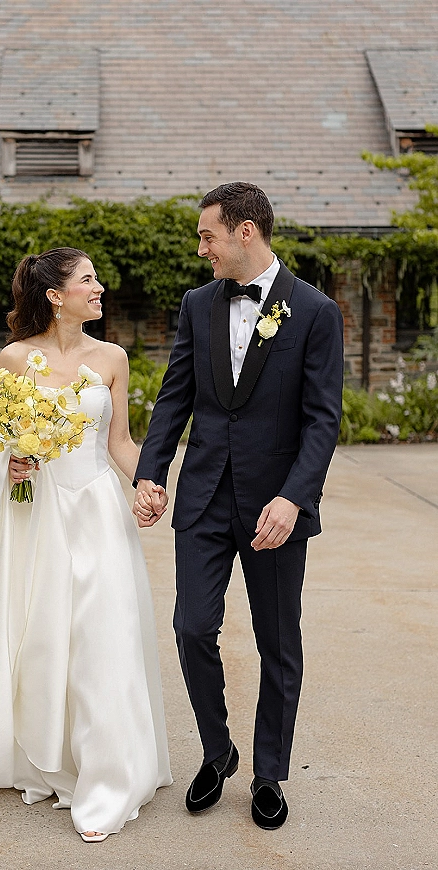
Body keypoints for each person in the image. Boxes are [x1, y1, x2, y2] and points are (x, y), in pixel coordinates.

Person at [132, 182, 344, 829]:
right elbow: (174, 397)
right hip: (202, 498)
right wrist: (150, 472)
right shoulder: (197, 305)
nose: (202, 250)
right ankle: (218, 750)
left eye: (207, 236)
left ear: (244, 231)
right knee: (192, 628)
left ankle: (269, 774)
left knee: (279, 644)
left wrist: (293, 496)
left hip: (274, 509)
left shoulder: (314, 312)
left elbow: (322, 420)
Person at [0, 247, 172, 843]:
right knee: (46, 638)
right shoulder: (15, 359)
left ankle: (109, 775)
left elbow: (120, 442)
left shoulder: (114, 358)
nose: (100, 289)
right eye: (88, 280)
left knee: (103, 635)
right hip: (38, 515)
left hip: (97, 510)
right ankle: (52, 757)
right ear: (54, 294)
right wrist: (12, 461)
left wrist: (147, 484)